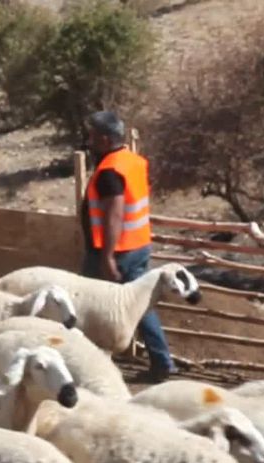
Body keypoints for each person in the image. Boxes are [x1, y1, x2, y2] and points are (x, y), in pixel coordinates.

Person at [81, 110, 175, 382]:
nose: (89, 141)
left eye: (93, 136)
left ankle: (90, 367)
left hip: (115, 251)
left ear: (105, 138)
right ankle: (161, 361)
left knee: (85, 303)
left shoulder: (110, 170)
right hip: (138, 244)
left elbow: (114, 214)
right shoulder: (131, 161)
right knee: (140, 305)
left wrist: (107, 256)